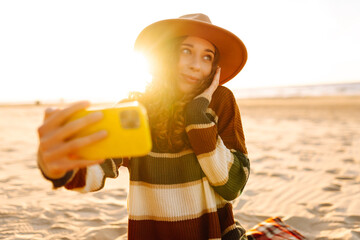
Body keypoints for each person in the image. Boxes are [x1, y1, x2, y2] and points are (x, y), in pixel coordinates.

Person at [37, 13, 250, 240]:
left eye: (207, 57)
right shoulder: (135, 110)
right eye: (186, 51)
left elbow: (233, 186)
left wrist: (196, 117)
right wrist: (59, 167)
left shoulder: (220, 101)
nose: (197, 66)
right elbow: (97, 171)